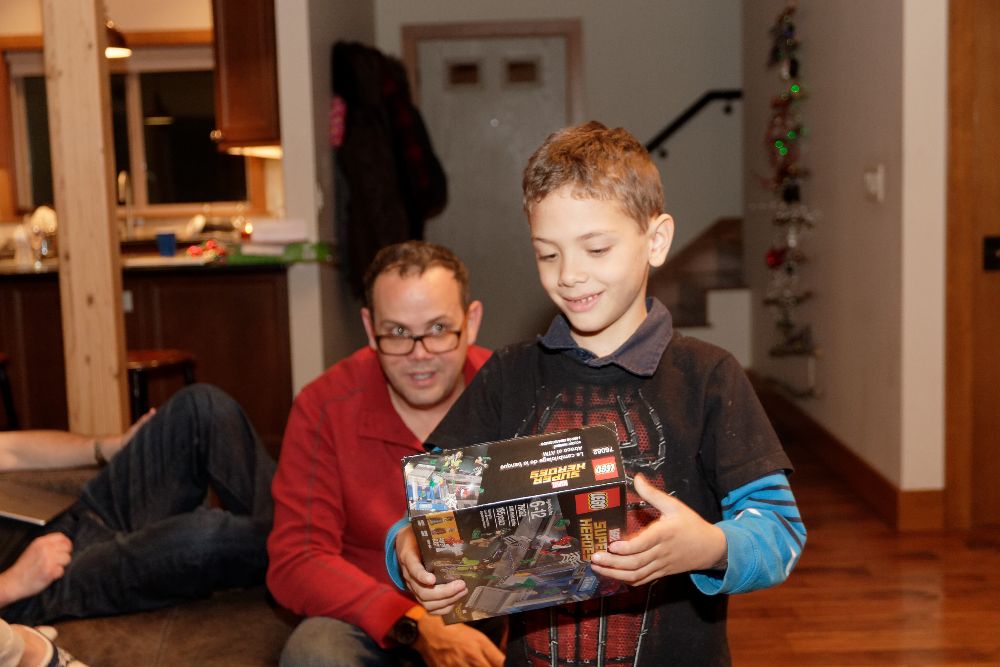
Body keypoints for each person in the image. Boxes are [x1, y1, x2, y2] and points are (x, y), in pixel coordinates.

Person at [390, 122, 807, 666]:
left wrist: (710, 546)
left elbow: (780, 533)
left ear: (656, 241)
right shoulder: (505, 376)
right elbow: (431, 510)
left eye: (596, 247)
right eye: (548, 254)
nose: (569, 275)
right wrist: (409, 547)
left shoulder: (710, 377)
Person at [267, 241, 504, 667]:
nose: (419, 355)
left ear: (471, 322)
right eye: (397, 332)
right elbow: (296, 559)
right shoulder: (324, 405)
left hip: (494, 615)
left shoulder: (509, 392)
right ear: (369, 326)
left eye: (438, 329)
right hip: (376, 618)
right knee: (314, 652)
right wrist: (415, 625)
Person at [0, 384, 276, 626]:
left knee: (202, 405)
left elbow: (10, 449)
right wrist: (12, 583)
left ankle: (290, 541)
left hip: (70, 520)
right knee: (203, 536)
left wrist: (109, 447)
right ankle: (295, 550)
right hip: (37, 588)